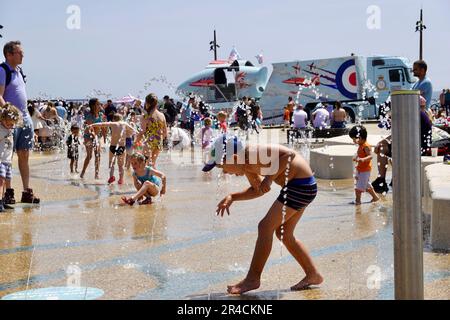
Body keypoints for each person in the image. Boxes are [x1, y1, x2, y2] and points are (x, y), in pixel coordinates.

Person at [203, 134, 323, 294]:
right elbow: (259, 190)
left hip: (300, 186)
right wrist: (233, 197)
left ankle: (253, 279)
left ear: (234, 157)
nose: (225, 172)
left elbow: (289, 155)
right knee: (284, 234)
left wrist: (269, 178)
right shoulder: (246, 167)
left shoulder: (254, 153)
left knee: (265, 226)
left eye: (222, 166)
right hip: (301, 187)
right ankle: (313, 274)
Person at [0, 41, 40, 204]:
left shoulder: (19, 71)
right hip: (10, 122)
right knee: (7, 157)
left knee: (24, 155)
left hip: (25, 120)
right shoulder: (3, 70)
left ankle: (26, 191)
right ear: (9, 54)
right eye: (19, 52)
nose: (22, 55)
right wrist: (10, 113)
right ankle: (8, 192)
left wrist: (26, 118)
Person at [89, 113, 137, 185]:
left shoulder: (112, 123)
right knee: (121, 165)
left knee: (111, 164)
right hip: (121, 147)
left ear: (114, 119)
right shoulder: (124, 123)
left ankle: (111, 177)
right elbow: (133, 130)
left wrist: (92, 125)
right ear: (121, 119)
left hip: (113, 146)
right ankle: (121, 179)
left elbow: (102, 124)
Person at [348, 126, 379, 205]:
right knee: (366, 185)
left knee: (358, 188)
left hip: (365, 170)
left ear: (360, 137)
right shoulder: (361, 145)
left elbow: (370, 156)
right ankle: (375, 197)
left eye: (354, 139)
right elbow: (360, 154)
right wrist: (356, 157)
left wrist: (363, 159)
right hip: (361, 169)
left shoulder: (366, 146)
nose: (353, 141)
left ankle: (358, 201)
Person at [135, 93, 168, 167]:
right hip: (158, 142)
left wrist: (136, 142)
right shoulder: (162, 115)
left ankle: (153, 178)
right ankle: (156, 177)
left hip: (149, 143)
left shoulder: (145, 116)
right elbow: (165, 132)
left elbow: (142, 132)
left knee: (145, 165)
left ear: (147, 103)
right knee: (152, 164)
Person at [0, 103, 21, 211]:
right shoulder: (1, 129)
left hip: (7, 161)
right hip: (0, 161)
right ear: (2, 119)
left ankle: (3, 200)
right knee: (1, 181)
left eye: (13, 124)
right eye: (9, 124)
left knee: (6, 181)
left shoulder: (9, 129)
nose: (11, 126)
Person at [80, 98, 103, 180]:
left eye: (99, 104)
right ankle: (82, 172)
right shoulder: (90, 116)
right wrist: (93, 135)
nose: (99, 105)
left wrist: (104, 135)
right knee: (89, 156)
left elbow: (102, 126)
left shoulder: (100, 114)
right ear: (93, 106)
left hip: (96, 137)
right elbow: (90, 128)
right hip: (88, 137)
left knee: (98, 155)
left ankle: (96, 174)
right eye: (98, 104)